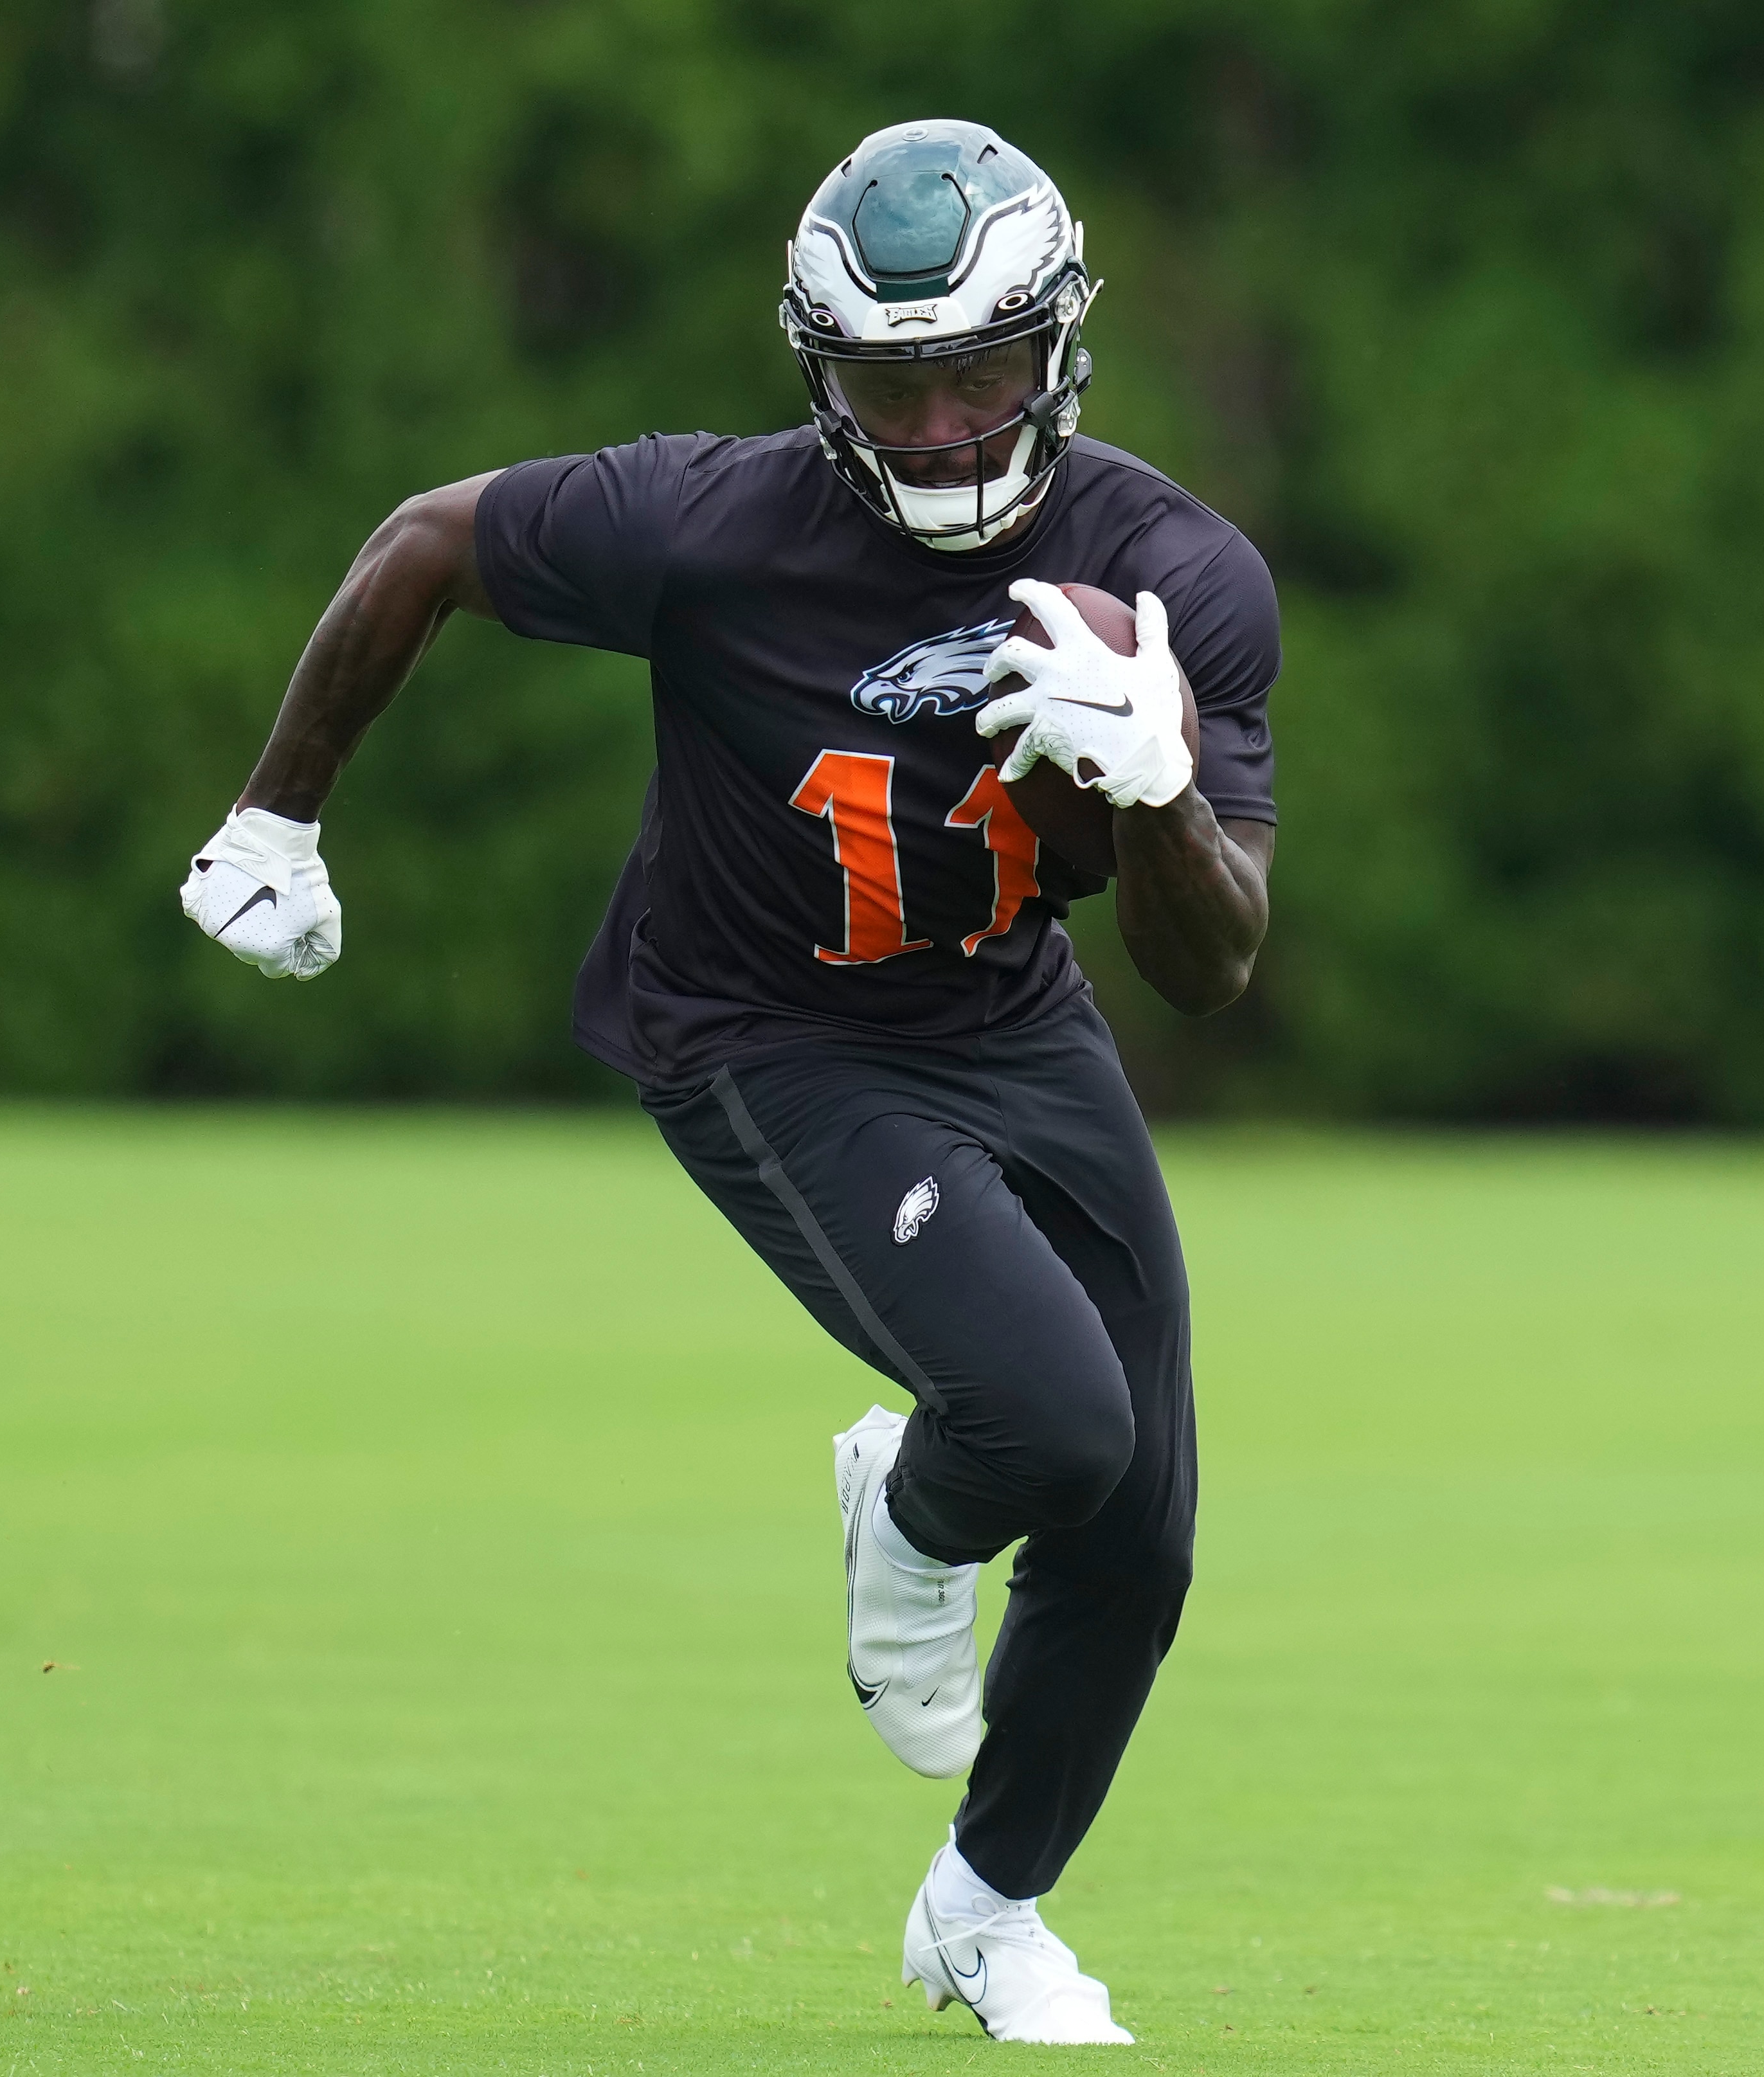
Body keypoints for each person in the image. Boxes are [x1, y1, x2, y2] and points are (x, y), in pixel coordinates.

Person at [176, 119, 1277, 2047]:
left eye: (981, 374)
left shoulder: (1171, 572)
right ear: (816, 381)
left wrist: (1158, 782)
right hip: (764, 1028)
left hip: (1011, 1016)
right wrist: (280, 815)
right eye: (888, 383)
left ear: (1059, 349)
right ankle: (914, 1515)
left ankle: (987, 1909)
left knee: (1149, 1515)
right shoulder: (711, 524)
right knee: (1039, 1419)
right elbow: (425, 541)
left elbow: (1211, 968)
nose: (940, 425)